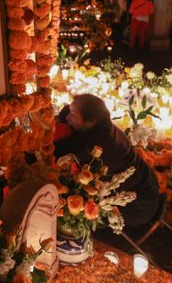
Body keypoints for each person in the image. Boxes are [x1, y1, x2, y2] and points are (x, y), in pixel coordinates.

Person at [54, 94, 160, 226]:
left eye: (73, 115)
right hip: (147, 181)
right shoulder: (101, 124)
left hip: (137, 206)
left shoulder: (94, 145)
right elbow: (65, 113)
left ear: (91, 121)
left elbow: (55, 150)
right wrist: (69, 111)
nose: (68, 117)